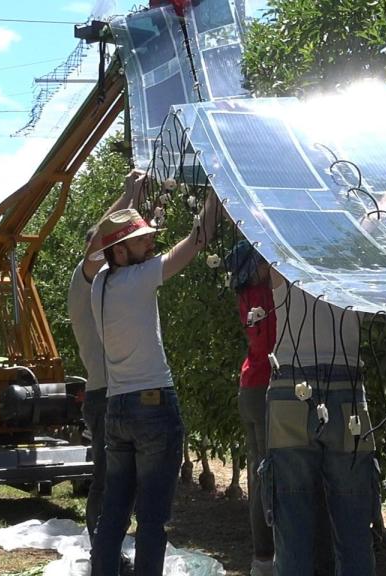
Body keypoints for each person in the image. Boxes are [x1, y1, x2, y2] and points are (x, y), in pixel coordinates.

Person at [88, 179, 218, 576]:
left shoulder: (99, 284)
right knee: (153, 516)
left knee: (114, 513)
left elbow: (94, 242)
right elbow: (197, 241)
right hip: (152, 407)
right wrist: (216, 194)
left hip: (118, 408)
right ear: (121, 251)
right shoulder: (138, 279)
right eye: (141, 240)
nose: (151, 245)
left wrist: (129, 193)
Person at [262, 279, 378, 576]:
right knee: (354, 525)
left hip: (291, 382)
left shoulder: (283, 240)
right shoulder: (358, 249)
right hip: (347, 384)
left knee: (292, 520)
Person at [67, 171, 146, 543]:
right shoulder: (84, 282)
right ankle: (102, 547)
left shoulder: (112, 286)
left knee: (123, 478)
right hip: (103, 396)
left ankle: (111, 547)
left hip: (120, 394)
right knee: (108, 476)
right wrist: (128, 196)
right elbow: (100, 243)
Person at [223, 240, 279, 576]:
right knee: (271, 473)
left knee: (260, 472)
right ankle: (269, 556)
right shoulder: (266, 296)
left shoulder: (246, 296)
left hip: (251, 387)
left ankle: (262, 559)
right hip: (266, 390)